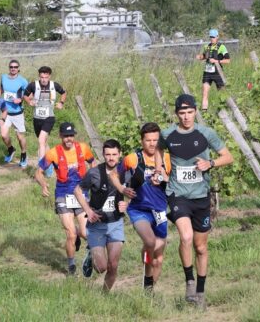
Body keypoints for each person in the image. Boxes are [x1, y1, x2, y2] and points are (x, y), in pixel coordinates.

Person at [157, 94, 233, 310]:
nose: (186, 117)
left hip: (201, 197)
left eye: (190, 112)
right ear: (176, 114)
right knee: (186, 236)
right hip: (178, 194)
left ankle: (200, 292)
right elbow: (159, 150)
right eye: (182, 113)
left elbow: (228, 156)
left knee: (201, 247)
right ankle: (189, 281)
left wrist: (211, 163)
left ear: (195, 112)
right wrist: (161, 167)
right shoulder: (168, 134)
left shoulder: (206, 133)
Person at [109, 123, 172, 294]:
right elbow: (114, 175)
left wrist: (165, 178)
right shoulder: (133, 159)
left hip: (159, 210)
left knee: (157, 259)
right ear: (142, 141)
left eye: (155, 140)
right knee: (150, 241)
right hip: (139, 210)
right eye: (148, 140)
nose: (152, 144)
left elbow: (175, 184)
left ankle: (148, 292)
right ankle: (147, 275)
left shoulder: (167, 158)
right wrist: (122, 191)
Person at [35, 122, 95, 275]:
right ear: (60, 136)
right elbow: (38, 172)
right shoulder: (53, 153)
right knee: (71, 234)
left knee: (84, 232)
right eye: (66, 136)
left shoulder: (83, 148)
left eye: (71, 135)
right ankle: (71, 266)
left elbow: (92, 163)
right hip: (63, 194)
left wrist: (95, 179)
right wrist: (43, 185)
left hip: (82, 194)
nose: (69, 138)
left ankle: (91, 253)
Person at [73, 139, 128, 291]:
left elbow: (135, 193)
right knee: (102, 267)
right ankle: (91, 254)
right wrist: (88, 211)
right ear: (103, 155)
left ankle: (105, 296)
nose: (111, 158)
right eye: (108, 154)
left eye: (114, 154)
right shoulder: (94, 173)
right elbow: (78, 190)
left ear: (120, 154)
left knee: (113, 265)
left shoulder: (125, 172)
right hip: (97, 225)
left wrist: (127, 204)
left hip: (115, 224)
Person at [23, 66, 67, 176]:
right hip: (37, 118)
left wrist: (61, 103)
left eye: (46, 77)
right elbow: (25, 95)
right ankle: (50, 164)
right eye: (42, 77)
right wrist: (29, 101)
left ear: (49, 76)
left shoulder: (54, 85)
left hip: (49, 117)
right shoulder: (33, 85)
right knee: (44, 143)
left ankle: (41, 168)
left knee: (41, 141)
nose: (43, 80)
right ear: (39, 76)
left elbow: (64, 93)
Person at [0, 60, 29, 168]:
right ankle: (11, 149)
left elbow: (28, 95)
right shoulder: (3, 77)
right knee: (3, 134)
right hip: (6, 112)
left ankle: (24, 154)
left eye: (15, 67)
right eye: (11, 67)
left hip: (17, 113)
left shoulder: (23, 81)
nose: (13, 68)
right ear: (9, 67)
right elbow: (1, 90)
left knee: (20, 136)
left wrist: (20, 99)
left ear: (18, 68)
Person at [195, 29, 230, 111]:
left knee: (222, 94)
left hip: (217, 73)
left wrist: (216, 61)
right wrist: (200, 57)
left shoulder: (222, 47)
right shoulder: (206, 46)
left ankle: (225, 111)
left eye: (213, 37)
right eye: (210, 37)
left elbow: (228, 60)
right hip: (207, 73)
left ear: (217, 37)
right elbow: (204, 57)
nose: (212, 39)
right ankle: (204, 113)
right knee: (204, 93)